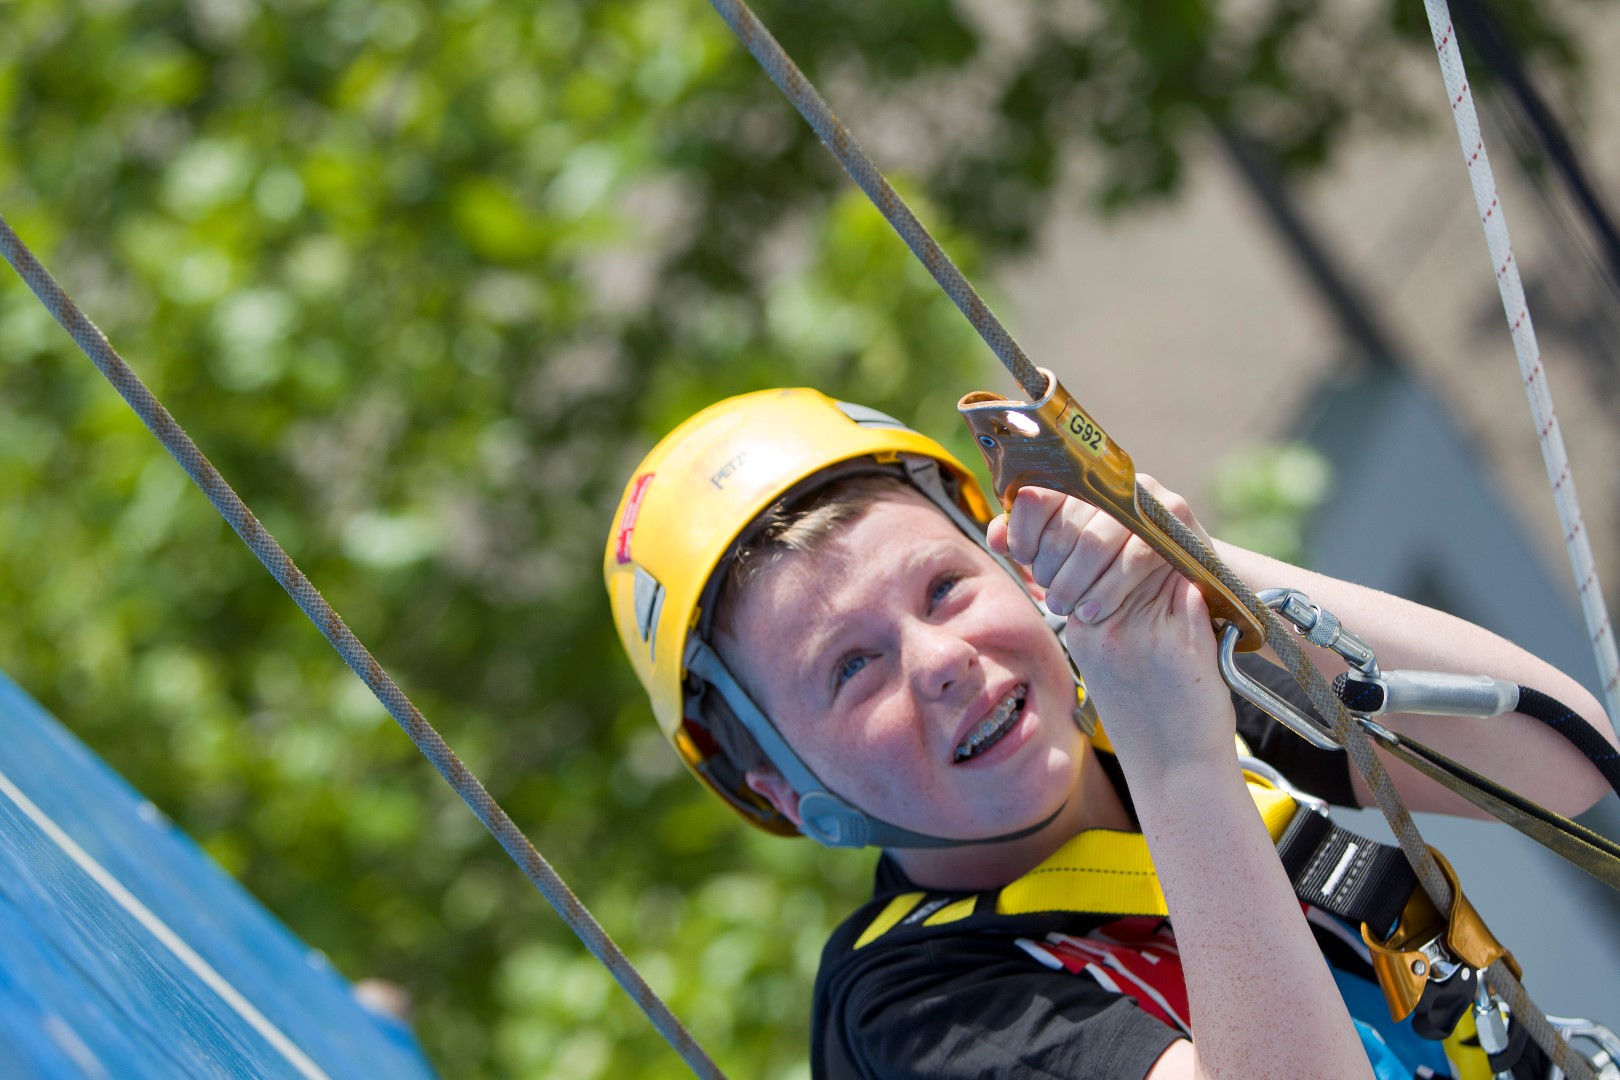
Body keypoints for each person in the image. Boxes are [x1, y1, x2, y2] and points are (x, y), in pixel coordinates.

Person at [603, 387, 1615, 1079]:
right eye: (851, 667)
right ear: (784, 791)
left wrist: (1189, 570)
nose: (941, 660)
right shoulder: (907, 1016)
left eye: (948, 586)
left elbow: (1560, 762)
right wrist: (1178, 756)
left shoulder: (1162, 702)